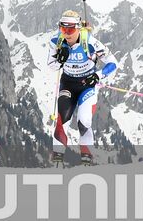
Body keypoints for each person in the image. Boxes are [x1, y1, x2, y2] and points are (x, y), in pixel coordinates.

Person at [48, 9, 118, 166]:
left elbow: (113, 63)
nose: (66, 33)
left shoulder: (91, 43)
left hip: (87, 85)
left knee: (84, 121)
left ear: (79, 28)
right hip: (67, 84)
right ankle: (57, 162)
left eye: (71, 28)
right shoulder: (56, 42)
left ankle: (87, 160)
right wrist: (60, 59)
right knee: (62, 120)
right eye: (63, 28)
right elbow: (52, 66)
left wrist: (98, 75)